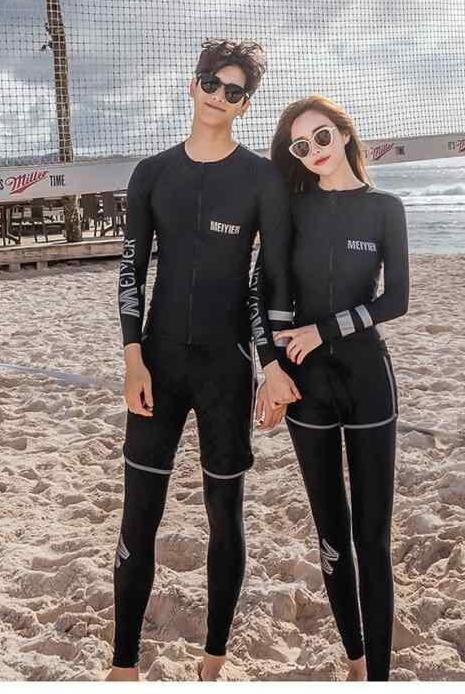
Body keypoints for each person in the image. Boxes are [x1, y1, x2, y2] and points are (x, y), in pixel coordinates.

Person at [106, 40, 299, 682]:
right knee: (139, 514)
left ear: (245, 105)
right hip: (157, 365)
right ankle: (123, 665)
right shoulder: (152, 173)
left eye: (234, 91)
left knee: (225, 515)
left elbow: (267, 284)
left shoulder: (261, 180)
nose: (219, 96)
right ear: (193, 86)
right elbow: (131, 272)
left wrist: (271, 364)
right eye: (211, 83)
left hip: (225, 369)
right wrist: (133, 358)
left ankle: (212, 660)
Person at [254, 95, 409, 682]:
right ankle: (355, 660)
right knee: (332, 534)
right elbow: (263, 292)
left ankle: (380, 679)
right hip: (307, 385)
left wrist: (324, 330)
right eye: (301, 145)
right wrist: (271, 368)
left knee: (373, 539)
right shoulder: (292, 209)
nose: (314, 150)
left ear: (343, 133)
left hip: (368, 381)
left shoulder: (385, 209)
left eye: (322, 136)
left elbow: (395, 300)